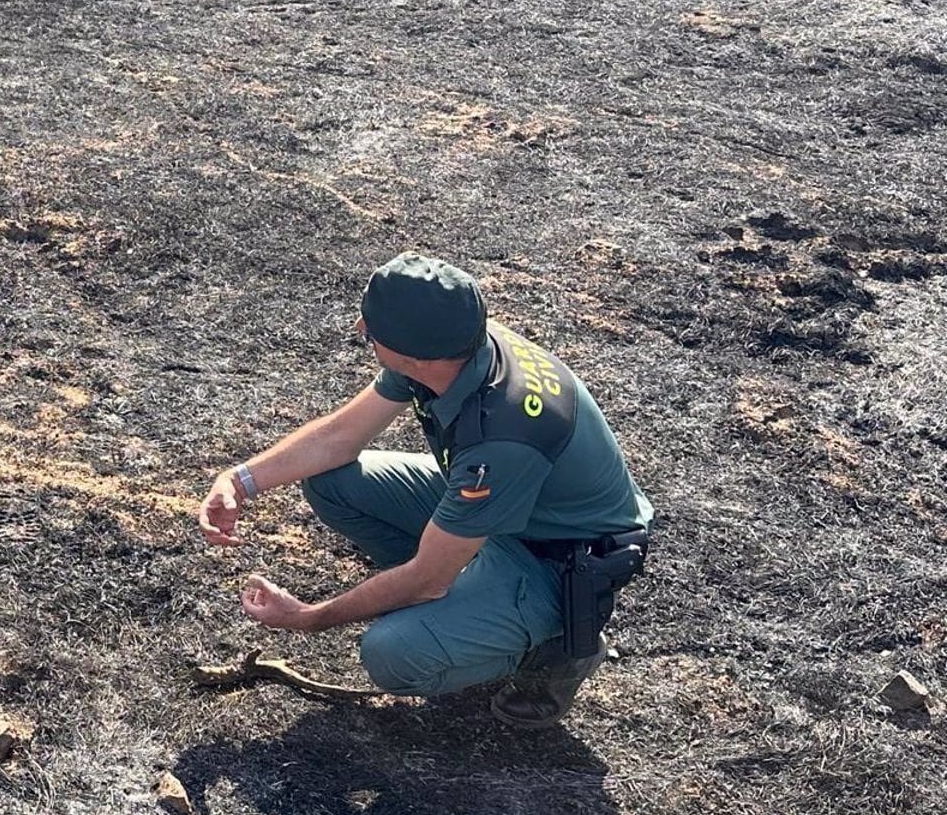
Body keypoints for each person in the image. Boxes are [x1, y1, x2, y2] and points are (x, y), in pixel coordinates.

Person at [197, 254, 652, 727]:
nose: (359, 329)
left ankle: (551, 646)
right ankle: (466, 595)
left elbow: (425, 579)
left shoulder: (502, 434)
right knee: (335, 482)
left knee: (393, 653)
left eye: (371, 330)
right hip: (504, 507)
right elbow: (340, 438)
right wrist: (239, 479)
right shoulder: (452, 343)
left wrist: (308, 617)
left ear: (414, 355)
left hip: (558, 554)